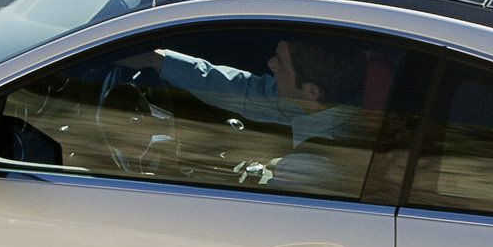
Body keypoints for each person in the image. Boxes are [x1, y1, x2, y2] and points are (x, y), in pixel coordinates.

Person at [119, 34, 370, 192]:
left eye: (279, 62)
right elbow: (246, 91)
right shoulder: (323, 102)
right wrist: (158, 60)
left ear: (311, 91)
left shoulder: (315, 165)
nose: (271, 65)